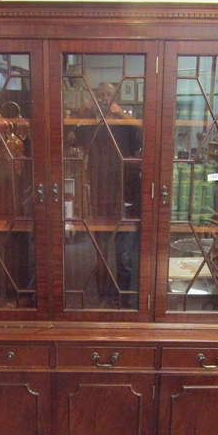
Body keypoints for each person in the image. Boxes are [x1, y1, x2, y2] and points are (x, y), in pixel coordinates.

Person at [65, 82, 142, 308]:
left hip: (125, 195)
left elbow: (149, 131)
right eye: (101, 96)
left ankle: (125, 302)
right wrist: (81, 114)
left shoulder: (126, 126)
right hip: (97, 197)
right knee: (100, 255)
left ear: (116, 98)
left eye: (110, 95)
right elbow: (67, 139)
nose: (105, 100)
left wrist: (123, 116)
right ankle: (103, 299)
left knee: (124, 256)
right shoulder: (90, 125)